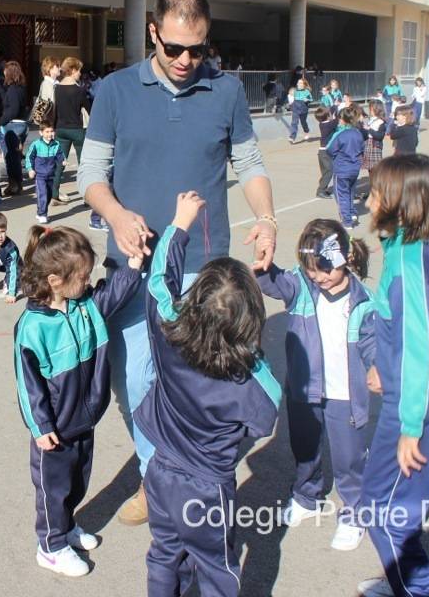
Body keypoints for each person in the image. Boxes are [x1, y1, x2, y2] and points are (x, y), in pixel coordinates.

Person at [77, 0, 276, 526]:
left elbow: (250, 163)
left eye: (199, 49)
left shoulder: (226, 90)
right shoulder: (116, 91)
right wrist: (117, 216)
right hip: (136, 267)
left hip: (204, 269)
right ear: (153, 35)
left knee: (209, 384)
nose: (187, 60)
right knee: (138, 382)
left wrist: (266, 217)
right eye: (175, 48)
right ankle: (157, 477)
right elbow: (90, 174)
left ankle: (197, 475)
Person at [134, 192, 280, 595]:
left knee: (165, 554)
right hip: (205, 485)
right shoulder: (248, 377)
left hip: (160, 470)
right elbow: (265, 419)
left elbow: (160, 278)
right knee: (217, 566)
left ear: (195, 301)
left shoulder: (169, 329)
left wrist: (180, 224)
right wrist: (249, 353)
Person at [356, 154, 429, 597]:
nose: (368, 201)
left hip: (418, 406)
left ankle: (417, 588)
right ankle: (406, 577)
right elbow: (409, 329)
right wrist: (386, 360)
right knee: (388, 504)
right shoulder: (402, 246)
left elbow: (424, 348)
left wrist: (411, 428)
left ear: (400, 203)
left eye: (376, 193)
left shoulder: (409, 266)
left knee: (384, 510)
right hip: (415, 397)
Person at [13, 225, 143, 578]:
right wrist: (41, 427)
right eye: (83, 276)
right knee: (52, 490)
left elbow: (113, 295)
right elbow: (29, 385)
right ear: (55, 280)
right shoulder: (33, 327)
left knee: (77, 481)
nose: (89, 281)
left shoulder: (85, 305)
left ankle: (67, 526)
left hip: (83, 421)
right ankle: (51, 546)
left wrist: (133, 266)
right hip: (54, 431)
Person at [256, 218, 377, 553]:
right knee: (305, 448)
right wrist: (263, 262)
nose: (319, 278)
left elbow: (372, 343)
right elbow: (273, 282)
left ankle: (355, 513)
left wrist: (378, 366)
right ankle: (307, 496)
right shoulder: (301, 287)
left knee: (348, 458)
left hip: (345, 395)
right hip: (305, 390)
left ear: (345, 262)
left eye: (325, 271)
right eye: (311, 271)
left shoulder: (364, 302)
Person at [53, 57, 102, 228]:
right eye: (79, 70)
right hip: (77, 129)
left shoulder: (57, 88)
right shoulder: (79, 91)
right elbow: (89, 108)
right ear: (73, 70)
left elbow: (55, 110)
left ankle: (54, 193)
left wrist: (53, 127)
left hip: (60, 128)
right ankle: (87, 196)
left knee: (59, 162)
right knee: (84, 164)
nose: (80, 73)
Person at [327, 105, 365, 228]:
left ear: (343, 120)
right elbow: (362, 148)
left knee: (341, 194)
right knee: (350, 191)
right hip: (354, 168)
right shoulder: (358, 133)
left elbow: (330, 149)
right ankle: (352, 212)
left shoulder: (341, 134)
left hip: (342, 169)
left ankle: (347, 221)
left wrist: (337, 155)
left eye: (340, 119)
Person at [0, 62, 29, 195]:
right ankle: (18, 183)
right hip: (21, 124)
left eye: (5, 71)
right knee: (15, 156)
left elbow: (12, 109)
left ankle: (14, 184)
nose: (4, 73)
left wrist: (1, 121)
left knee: (10, 156)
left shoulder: (13, 89)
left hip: (12, 125)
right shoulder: (20, 87)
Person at [25, 122, 64, 224]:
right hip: (40, 175)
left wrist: (63, 160)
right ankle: (43, 214)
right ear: (41, 133)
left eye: (51, 131)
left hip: (51, 174)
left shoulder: (56, 144)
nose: (50, 134)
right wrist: (30, 169)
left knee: (49, 195)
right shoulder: (36, 144)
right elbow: (29, 157)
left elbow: (60, 155)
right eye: (47, 132)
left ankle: (40, 211)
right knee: (42, 194)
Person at [313, 105, 337, 200]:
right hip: (326, 152)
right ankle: (320, 191)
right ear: (328, 116)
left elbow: (330, 113)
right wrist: (336, 107)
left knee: (325, 172)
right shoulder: (330, 124)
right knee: (329, 171)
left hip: (322, 151)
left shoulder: (322, 123)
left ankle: (323, 188)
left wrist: (332, 108)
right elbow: (338, 119)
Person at [362, 100, 387, 172]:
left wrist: (369, 129)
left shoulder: (381, 122)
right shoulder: (372, 119)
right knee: (370, 168)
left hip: (374, 146)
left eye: (371, 109)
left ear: (377, 109)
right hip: (368, 144)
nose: (370, 110)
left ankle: (376, 182)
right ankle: (372, 182)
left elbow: (380, 136)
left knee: (375, 168)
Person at [289, 77, 313, 143]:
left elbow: (311, 99)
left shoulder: (307, 92)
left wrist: (307, 100)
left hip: (303, 109)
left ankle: (306, 131)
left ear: (304, 85)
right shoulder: (295, 91)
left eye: (300, 83)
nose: (298, 84)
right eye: (298, 83)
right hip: (296, 108)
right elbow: (292, 98)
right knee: (294, 122)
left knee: (303, 122)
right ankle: (292, 137)